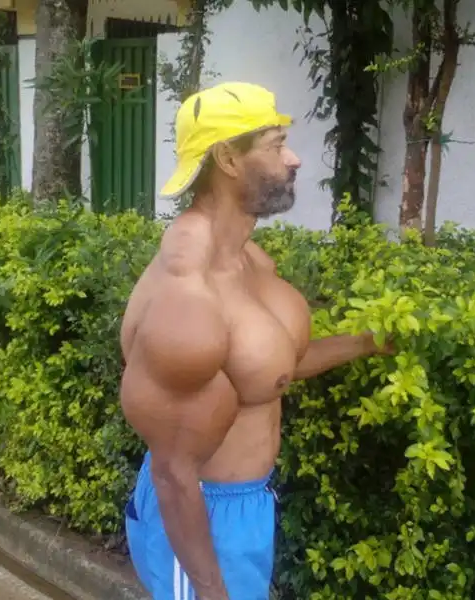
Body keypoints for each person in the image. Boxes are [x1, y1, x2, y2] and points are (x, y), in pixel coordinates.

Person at [119, 81, 393, 600]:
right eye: (275, 145)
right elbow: (174, 475)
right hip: (200, 520)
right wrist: (210, 590)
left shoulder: (248, 257)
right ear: (227, 158)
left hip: (245, 509)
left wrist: (367, 342)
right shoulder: (189, 298)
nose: (293, 159)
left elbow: (268, 368)